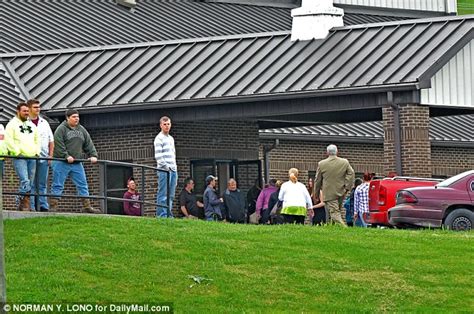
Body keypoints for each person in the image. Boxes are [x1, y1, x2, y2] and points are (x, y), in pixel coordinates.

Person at [49, 109, 100, 213]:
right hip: (61, 162)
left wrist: (93, 155)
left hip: (76, 163)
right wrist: (66, 156)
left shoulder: (81, 130)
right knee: (58, 184)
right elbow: (58, 144)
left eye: (77, 116)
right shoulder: (61, 129)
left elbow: (88, 143)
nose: (76, 119)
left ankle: (87, 206)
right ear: (67, 118)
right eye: (73, 117)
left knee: (83, 184)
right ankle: (53, 207)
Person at [5, 102, 40, 211]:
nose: (26, 113)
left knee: (30, 181)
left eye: (27, 111)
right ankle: (24, 203)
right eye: (24, 111)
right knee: (25, 181)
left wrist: (36, 152)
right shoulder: (11, 125)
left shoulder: (32, 126)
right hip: (20, 157)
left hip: (32, 157)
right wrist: (16, 152)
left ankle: (20, 202)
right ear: (18, 111)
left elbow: (37, 139)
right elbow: (9, 140)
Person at [314, 144, 354, 226]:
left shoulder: (322, 164)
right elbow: (351, 173)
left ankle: (344, 228)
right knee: (337, 210)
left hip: (329, 192)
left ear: (327, 152)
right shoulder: (344, 162)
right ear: (337, 152)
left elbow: (317, 180)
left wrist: (316, 194)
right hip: (341, 191)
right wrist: (347, 187)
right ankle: (333, 227)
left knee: (334, 212)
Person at [27, 99, 54, 212]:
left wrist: (50, 155)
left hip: (44, 157)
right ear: (29, 109)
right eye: (35, 107)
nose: (38, 109)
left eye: (39, 107)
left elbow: (51, 141)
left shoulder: (44, 123)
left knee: (42, 183)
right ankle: (32, 206)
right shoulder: (25, 123)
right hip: (31, 157)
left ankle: (43, 205)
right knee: (31, 184)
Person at [154, 116, 177, 218]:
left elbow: (173, 154)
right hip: (164, 170)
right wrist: (167, 168)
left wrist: (174, 168)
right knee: (163, 193)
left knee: (171, 195)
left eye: (168, 124)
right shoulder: (159, 138)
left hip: (173, 169)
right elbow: (158, 156)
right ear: (161, 125)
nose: (167, 126)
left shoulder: (171, 139)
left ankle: (168, 214)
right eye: (165, 124)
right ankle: (162, 215)